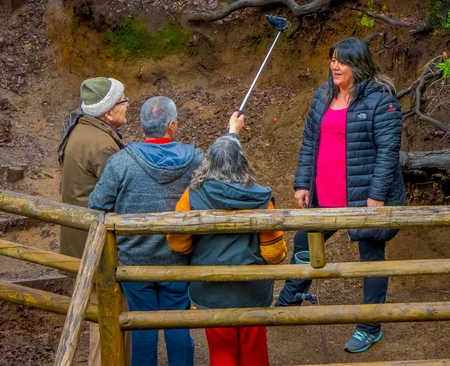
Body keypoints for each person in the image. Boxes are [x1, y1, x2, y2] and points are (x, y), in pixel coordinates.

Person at [88, 96, 245, 366]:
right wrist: (232, 135)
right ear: (172, 125)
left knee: (142, 329)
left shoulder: (121, 162)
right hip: (179, 257)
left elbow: (97, 204)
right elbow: (224, 177)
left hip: (134, 262)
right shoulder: (196, 160)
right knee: (178, 325)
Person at [274, 37, 405, 353]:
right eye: (332, 59)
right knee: (305, 243)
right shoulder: (323, 94)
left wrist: (376, 196)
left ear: (358, 66)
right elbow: (309, 143)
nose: (335, 65)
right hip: (325, 192)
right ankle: (289, 303)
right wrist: (303, 184)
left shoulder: (381, 100)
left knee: (371, 260)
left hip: (366, 196)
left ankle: (369, 326)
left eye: (342, 61)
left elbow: (389, 151)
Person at [167, 135, 287, 366]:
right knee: (254, 351)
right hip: (252, 289)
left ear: (208, 163)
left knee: (221, 351)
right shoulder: (261, 198)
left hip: (211, 287)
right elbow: (273, 254)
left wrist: (197, 248)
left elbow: (178, 243)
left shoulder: (191, 196)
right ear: (242, 162)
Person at [58, 76, 129, 365]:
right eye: (123, 100)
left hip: (79, 239)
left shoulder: (80, 130)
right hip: (98, 247)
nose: (128, 105)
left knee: (97, 315)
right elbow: (118, 196)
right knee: (107, 317)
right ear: (108, 111)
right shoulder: (103, 147)